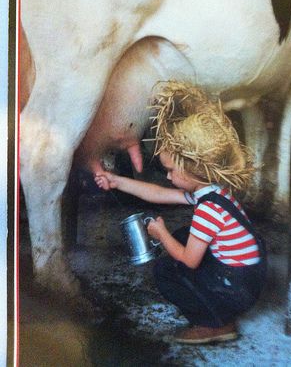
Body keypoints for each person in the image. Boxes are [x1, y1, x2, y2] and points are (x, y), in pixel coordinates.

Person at [95, 81, 266, 345]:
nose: (167, 175)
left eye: (171, 170)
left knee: (167, 271)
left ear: (193, 169)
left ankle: (214, 324)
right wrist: (116, 180)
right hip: (248, 277)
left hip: (237, 288)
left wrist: (161, 234)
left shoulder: (207, 210)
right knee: (186, 234)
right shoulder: (213, 190)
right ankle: (219, 311)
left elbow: (189, 261)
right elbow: (157, 193)